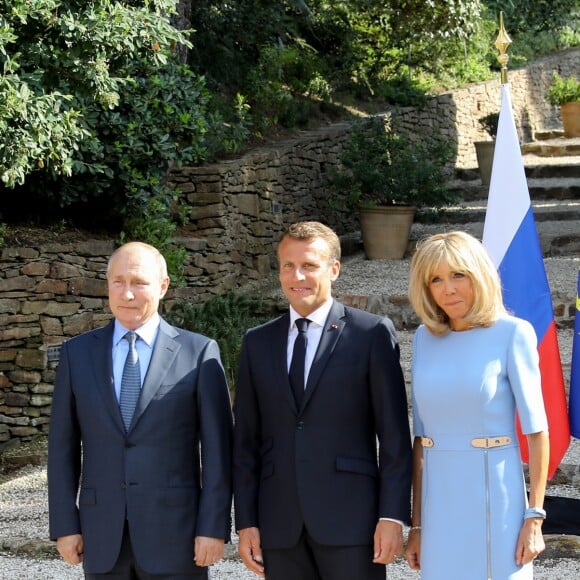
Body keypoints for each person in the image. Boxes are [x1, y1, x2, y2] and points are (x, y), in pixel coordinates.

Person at [233, 221, 412, 580]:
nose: (296, 275)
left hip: (352, 521)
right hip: (279, 524)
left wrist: (392, 516)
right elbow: (245, 442)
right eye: (287, 265)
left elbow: (394, 435)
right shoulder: (257, 342)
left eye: (309, 265)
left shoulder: (371, 333)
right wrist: (247, 522)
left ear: (334, 269)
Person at [48, 241, 233, 579]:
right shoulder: (77, 355)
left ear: (163, 286)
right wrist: (64, 524)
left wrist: (213, 526)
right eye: (118, 282)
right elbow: (61, 448)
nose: (127, 294)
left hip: (177, 537)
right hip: (101, 538)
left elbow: (219, 451)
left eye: (139, 282)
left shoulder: (199, 353)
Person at [404, 231, 549, 579]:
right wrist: (418, 526)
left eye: (458, 275)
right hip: (439, 502)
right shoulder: (424, 338)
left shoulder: (513, 333)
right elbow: (420, 441)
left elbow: (538, 431)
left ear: (479, 274)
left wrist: (534, 517)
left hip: (495, 498)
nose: (447, 289)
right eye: (435, 279)